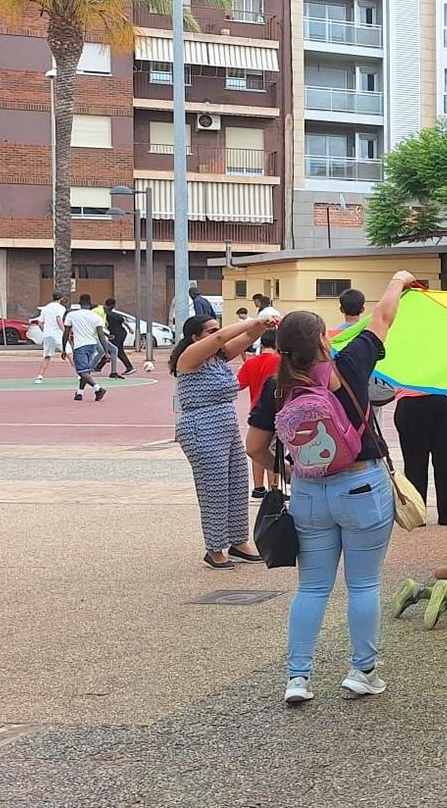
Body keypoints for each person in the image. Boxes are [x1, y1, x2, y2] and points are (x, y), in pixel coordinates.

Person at [243, 271, 413, 705]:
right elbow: (383, 317)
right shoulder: (351, 363)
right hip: (361, 485)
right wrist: (397, 280)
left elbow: (255, 447)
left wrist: (288, 469)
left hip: (308, 493)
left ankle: (297, 679)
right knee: (363, 585)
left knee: (313, 588)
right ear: (322, 341)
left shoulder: (275, 387)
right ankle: (362, 672)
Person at [171, 312, 271, 569]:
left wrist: (262, 325)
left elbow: (249, 336)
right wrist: (251, 321)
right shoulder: (190, 358)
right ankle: (214, 548)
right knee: (214, 489)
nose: (217, 332)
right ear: (195, 337)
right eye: (210, 330)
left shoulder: (219, 357)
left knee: (237, 483)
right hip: (200, 427)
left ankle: (238, 540)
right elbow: (221, 336)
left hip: (225, 425)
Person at [394, 389, 447, 526]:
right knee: (441, 460)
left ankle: (421, 513)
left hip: (420, 403)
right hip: (427, 402)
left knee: (421, 462)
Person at [237, 330, 282, 498]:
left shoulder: (250, 363)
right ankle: (274, 487)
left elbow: (239, 385)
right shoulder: (281, 361)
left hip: (256, 409)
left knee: (257, 449)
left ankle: (258, 487)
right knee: (273, 450)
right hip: (276, 409)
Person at [65, 298, 110, 402]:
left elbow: (66, 333)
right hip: (92, 345)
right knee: (86, 370)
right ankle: (79, 392)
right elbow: (101, 334)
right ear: (90, 305)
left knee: (81, 371)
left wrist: (64, 347)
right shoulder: (96, 317)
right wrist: (106, 351)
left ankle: (98, 388)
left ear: (80, 304)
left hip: (80, 346)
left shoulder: (72, 315)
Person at [33, 292, 68, 383]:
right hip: (58, 334)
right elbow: (58, 318)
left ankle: (40, 376)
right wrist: (64, 330)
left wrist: (44, 331)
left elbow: (40, 322)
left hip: (47, 334)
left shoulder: (46, 308)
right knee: (69, 353)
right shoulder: (61, 308)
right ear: (61, 298)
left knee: (47, 356)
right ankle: (80, 374)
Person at [99, 298, 129, 379]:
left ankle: (99, 366)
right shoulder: (103, 313)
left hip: (119, 334)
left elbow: (123, 321)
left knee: (115, 350)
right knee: (113, 350)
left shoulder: (112, 314)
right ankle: (99, 366)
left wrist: (130, 328)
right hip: (115, 334)